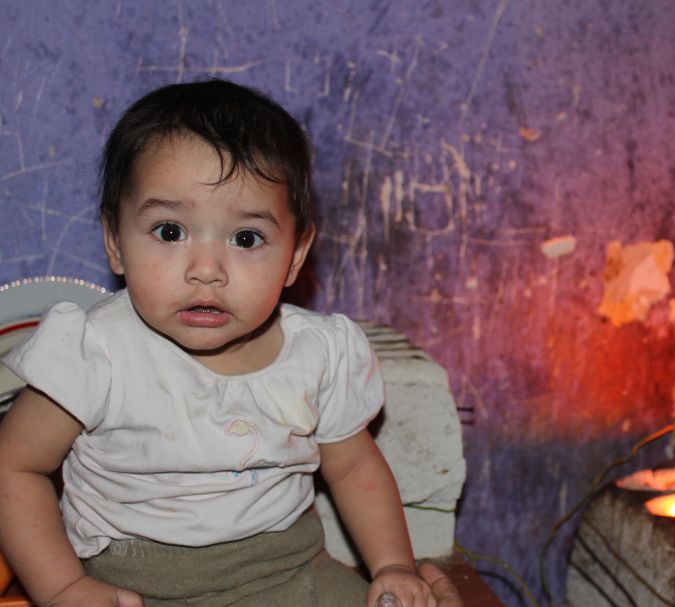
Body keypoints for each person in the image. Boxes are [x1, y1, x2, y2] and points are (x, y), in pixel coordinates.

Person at [0, 79, 457, 607]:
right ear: (115, 242)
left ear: (296, 254)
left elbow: (354, 465)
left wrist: (394, 564)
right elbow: (14, 464)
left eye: (246, 239)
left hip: (291, 568)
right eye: (170, 231)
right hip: (138, 584)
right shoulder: (97, 351)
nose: (207, 271)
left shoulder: (317, 354)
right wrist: (63, 587)